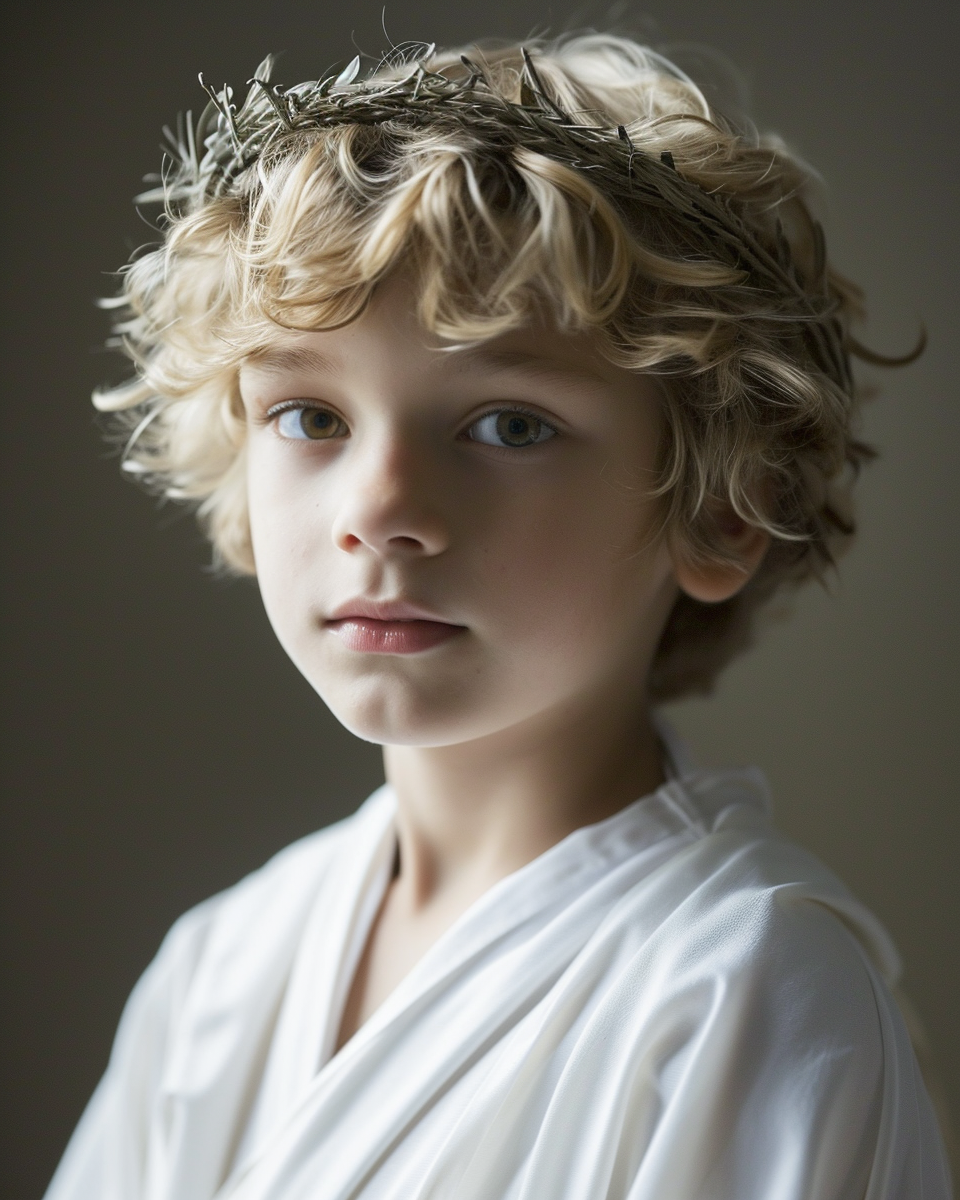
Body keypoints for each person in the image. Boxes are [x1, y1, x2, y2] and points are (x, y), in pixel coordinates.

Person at [45, 34, 951, 1200]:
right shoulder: (222, 967)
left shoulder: (744, 995)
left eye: (509, 424)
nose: (379, 512)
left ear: (726, 509)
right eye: (311, 418)